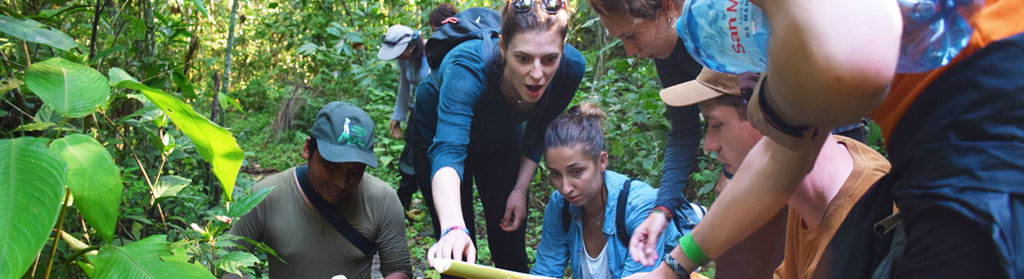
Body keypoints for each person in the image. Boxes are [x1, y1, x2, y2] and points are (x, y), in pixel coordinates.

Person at [605, 0, 1024, 276]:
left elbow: (856, 61)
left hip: (984, 104)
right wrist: (673, 267)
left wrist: (774, 101)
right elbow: (781, 156)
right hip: (939, 139)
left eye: (629, 36)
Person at [646, 68, 890, 278]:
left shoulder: (863, 223)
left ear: (767, 117)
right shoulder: (801, 193)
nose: (708, 144)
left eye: (717, 124)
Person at [412, 0, 585, 273]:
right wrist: (454, 227)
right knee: (457, 253)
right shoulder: (467, 67)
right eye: (523, 58)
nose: (537, 74)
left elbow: (539, 130)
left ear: (562, 50)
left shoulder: (571, 68)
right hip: (438, 132)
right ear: (503, 47)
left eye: (549, 59)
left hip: (501, 135)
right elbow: (448, 150)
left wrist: (520, 189)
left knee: (510, 242)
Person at [228, 102, 411, 279]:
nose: (341, 183)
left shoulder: (382, 199)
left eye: (355, 171)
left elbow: (399, 269)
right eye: (331, 166)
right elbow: (227, 261)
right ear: (308, 149)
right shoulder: (266, 197)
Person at [531, 103, 683, 278]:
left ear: (602, 161)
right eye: (556, 174)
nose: (565, 188)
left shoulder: (640, 205)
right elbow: (545, 273)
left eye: (576, 172)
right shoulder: (560, 205)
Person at [378, 24, 430, 211]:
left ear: (411, 46)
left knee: (425, 156)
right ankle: (403, 206)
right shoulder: (405, 60)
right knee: (411, 154)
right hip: (418, 111)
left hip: (436, 112)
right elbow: (405, 86)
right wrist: (397, 116)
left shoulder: (431, 52)